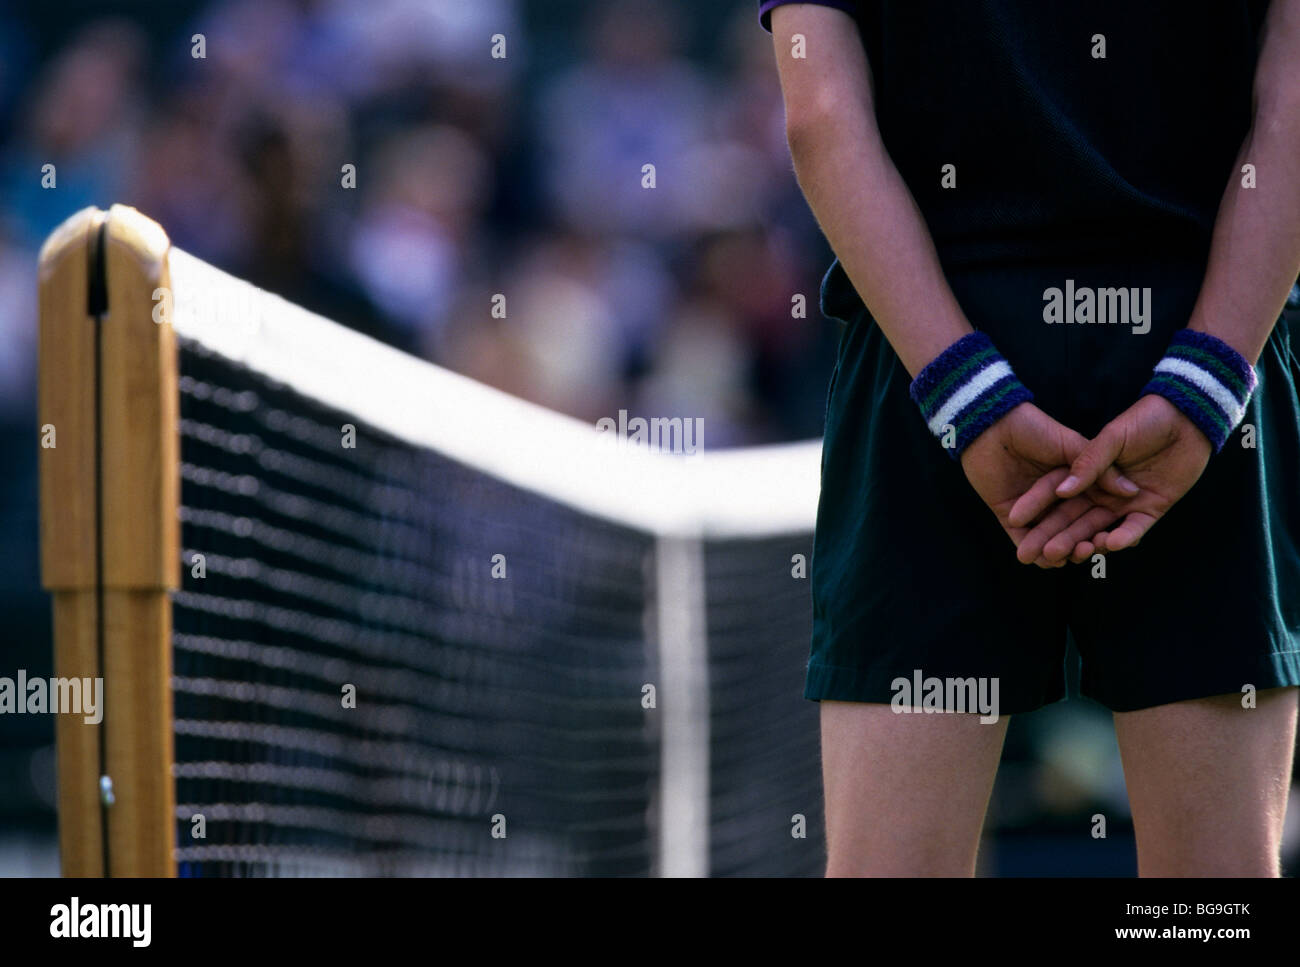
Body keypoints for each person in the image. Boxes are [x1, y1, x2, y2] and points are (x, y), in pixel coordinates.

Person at [760, 0, 1300, 876]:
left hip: (924, 366)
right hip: (1202, 350)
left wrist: (964, 396)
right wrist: (1206, 383)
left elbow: (820, 116)